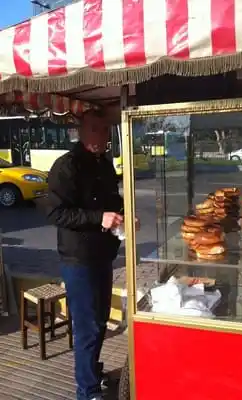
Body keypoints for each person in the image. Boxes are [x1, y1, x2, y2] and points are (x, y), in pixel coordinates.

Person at [47, 109, 124, 400]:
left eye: (105, 130)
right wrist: (98, 218)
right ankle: (87, 391)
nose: (101, 137)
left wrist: (123, 215)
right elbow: (55, 212)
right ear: (81, 131)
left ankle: (92, 371)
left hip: (103, 255)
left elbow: (113, 201)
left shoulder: (104, 164)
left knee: (101, 320)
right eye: (95, 129)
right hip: (78, 260)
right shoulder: (66, 166)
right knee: (87, 327)